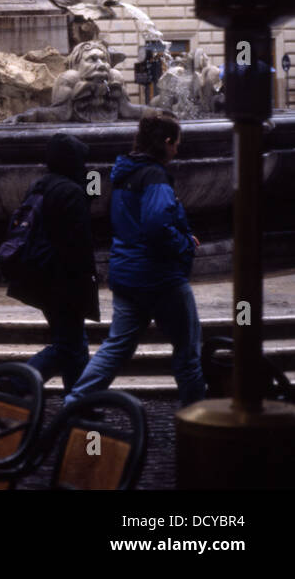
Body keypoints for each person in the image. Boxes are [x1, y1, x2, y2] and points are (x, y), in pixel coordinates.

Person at [65, 110, 206, 407]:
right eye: (176, 143)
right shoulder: (155, 175)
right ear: (166, 142)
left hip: (126, 273)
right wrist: (183, 243)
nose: (178, 149)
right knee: (188, 351)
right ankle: (197, 421)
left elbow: (127, 222)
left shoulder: (123, 173)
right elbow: (156, 224)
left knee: (116, 347)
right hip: (160, 277)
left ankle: (75, 403)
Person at [2, 133, 101, 393]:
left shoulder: (40, 185)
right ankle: (17, 381)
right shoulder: (71, 192)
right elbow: (80, 243)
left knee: (74, 343)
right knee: (67, 346)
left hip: (39, 276)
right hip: (64, 282)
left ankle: (80, 402)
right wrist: (87, 281)